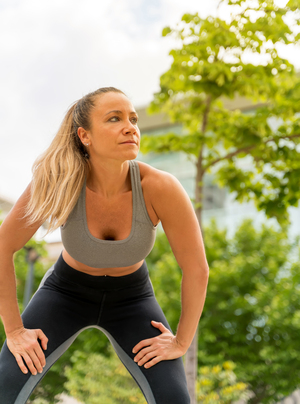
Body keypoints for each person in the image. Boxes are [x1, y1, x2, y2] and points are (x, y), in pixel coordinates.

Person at [0, 86, 209, 404]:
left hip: (133, 299)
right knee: (4, 387)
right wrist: (14, 331)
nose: (131, 127)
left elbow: (196, 268)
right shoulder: (58, 180)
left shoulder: (159, 187)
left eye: (133, 119)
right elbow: (3, 247)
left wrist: (181, 341)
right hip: (64, 293)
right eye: (115, 118)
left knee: (174, 398)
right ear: (85, 136)